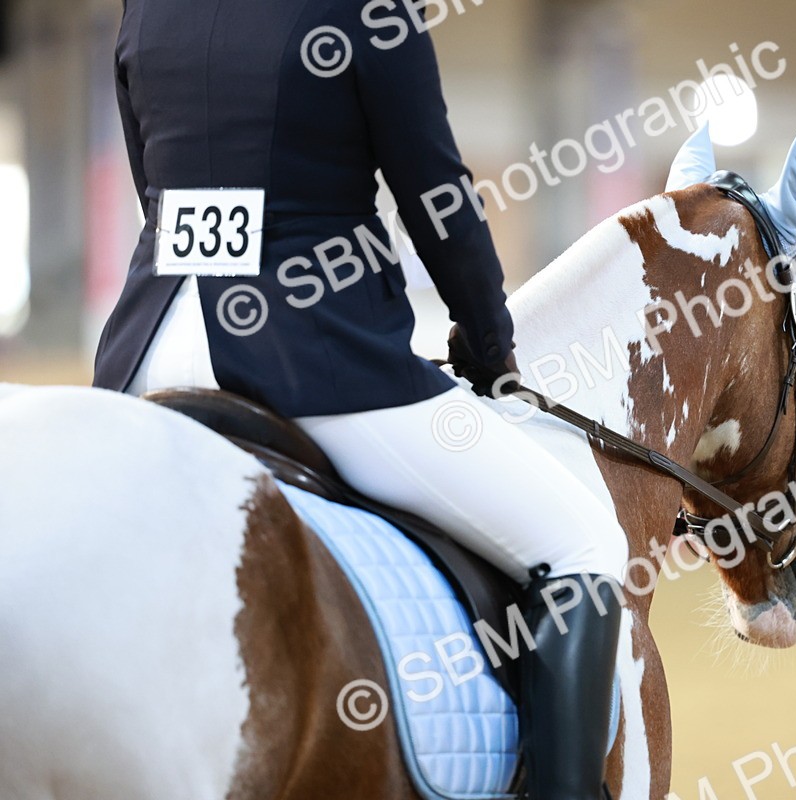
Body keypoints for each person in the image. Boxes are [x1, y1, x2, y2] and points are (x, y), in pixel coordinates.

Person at [92, 1, 627, 796]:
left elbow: (149, 182)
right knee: (584, 545)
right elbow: (436, 195)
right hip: (313, 362)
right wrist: (487, 343)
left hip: (150, 353)